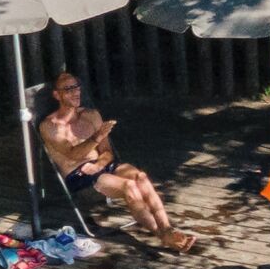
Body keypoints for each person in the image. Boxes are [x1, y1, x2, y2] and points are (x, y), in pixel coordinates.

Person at [37, 72, 188, 248]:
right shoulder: (49, 126)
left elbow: (107, 152)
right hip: (79, 175)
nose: (75, 92)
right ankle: (160, 234)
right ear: (57, 95)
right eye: (68, 89)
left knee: (141, 177)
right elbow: (73, 154)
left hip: (102, 165)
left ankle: (167, 229)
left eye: (76, 87)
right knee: (129, 186)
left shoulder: (91, 115)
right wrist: (97, 137)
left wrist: (99, 164)